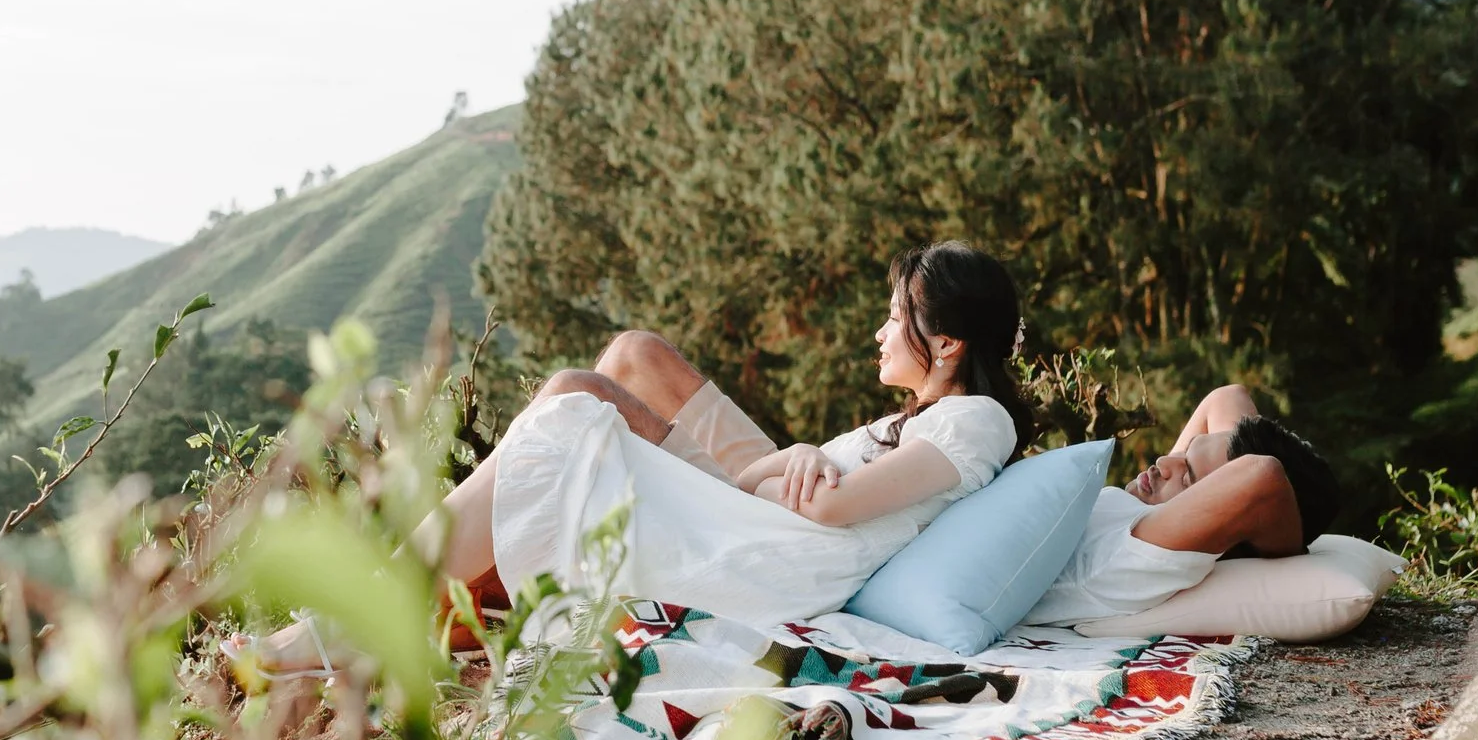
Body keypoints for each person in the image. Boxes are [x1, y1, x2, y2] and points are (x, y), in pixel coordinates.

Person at [431, 241, 1033, 629]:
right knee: (631, 356)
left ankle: (388, 599)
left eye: (898, 319)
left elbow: (828, 505)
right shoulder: (919, 419)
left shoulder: (975, 418)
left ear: (949, 342)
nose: (881, 332)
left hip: (778, 554)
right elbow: (764, 487)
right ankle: (447, 592)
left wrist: (786, 465)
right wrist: (787, 460)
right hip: (763, 514)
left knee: (573, 394)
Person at [1021, 383, 1341, 627]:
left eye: (1187, 479)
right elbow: (1226, 397)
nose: (1163, 462)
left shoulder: (1143, 553)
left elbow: (1265, 476)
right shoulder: (1152, 509)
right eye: (1184, 453)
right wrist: (1220, 450)